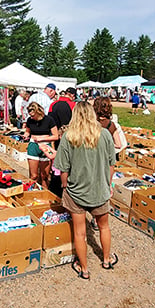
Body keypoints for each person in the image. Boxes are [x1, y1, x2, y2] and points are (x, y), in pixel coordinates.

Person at [53, 101, 117, 280]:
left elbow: (63, 169)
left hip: (76, 191)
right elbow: (112, 164)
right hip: (100, 190)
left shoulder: (68, 137)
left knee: (79, 232)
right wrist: (108, 184)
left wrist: (65, 186)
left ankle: (84, 268)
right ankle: (106, 259)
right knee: (104, 227)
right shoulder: (104, 134)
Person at [24, 102, 60, 188]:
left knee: (45, 176)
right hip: (33, 145)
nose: (31, 117)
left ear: (38, 112)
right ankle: (32, 192)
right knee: (34, 176)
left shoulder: (49, 120)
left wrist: (42, 139)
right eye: (30, 115)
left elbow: (56, 136)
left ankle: (44, 194)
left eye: (33, 115)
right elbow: (27, 131)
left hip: (45, 146)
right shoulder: (30, 120)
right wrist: (25, 135)